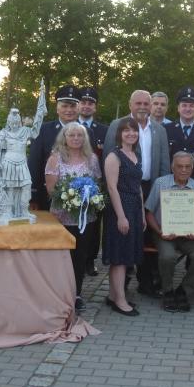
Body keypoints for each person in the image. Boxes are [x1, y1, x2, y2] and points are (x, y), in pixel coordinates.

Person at [104, 90, 171, 297]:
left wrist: (163, 190)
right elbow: (108, 155)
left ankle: (146, 281)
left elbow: (164, 163)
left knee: (147, 236)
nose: (142, 106)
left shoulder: (159, 129)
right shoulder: (118, 125)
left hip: (150, 188)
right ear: (130, 104)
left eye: (146, 103)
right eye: (138, 103)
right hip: (123, 189)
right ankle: (119, 287)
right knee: (123, 234)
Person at [45, 123, 102, 311]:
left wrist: (88, 199)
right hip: (62, 218)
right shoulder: (55, 159)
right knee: (63, 257)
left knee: (80, 256)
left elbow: (96, 183)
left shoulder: (91, 159)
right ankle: (59, 293)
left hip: (86, 219)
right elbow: (51, 190)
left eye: (80, 135)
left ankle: (76, 294)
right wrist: (70, 198)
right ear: (65, 137)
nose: (76, 138)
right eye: (72, 135)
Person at [145, 151, 194, 312]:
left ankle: (184, 290)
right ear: (172, 167)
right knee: (167, 256)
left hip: (189, 235)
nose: (183, 170)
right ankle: (167, 291)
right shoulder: (160, 183)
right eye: (179, 166)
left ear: (192, 168)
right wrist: (159, 232)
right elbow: (149, 212)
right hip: (164, 233)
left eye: (188, 166)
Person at [103, 118, 146, 316]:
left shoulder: (136, 154)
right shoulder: (114, 156)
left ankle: (113, 295)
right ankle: (120, 300)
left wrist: (143, 214)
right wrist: (121, 216)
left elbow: (138, 185)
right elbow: (112, 188)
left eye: (134, 130)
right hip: (120, 209)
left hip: (135, 209)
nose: (131, 134)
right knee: (119, 257)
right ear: (119, 134)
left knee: (123, 255)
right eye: (126, 131)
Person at [28, 85, 83, 211]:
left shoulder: (87, 132)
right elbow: (34, 163)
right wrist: (33, 196)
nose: (69, 110)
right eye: (64, 106)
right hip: (47, 198)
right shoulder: (43, 130)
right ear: (57, 108)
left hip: (80, 200)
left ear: (78, 108)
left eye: (73, 106)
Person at [0, 95, 47, 219]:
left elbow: (35, 132)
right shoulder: (3, 134)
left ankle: (24, 210)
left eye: (17, 123)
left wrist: (39, 115)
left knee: (26, 185)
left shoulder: (25, 131)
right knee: (11, 188)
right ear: (8, 122)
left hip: (22, 163)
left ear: (20, 122)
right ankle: (10, 211)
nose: (15, 125)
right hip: (8, 163)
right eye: (12, 123)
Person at [77, 86, 109, 277]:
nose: (87, 106)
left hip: (96, 186)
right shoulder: (69, 128)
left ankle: (90, 261)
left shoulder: (104, 130)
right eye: (84, 102)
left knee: (94, 225)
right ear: (78, 104)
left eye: (91, 103)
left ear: (95, 107)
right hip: (71, 185)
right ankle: (74, 259)